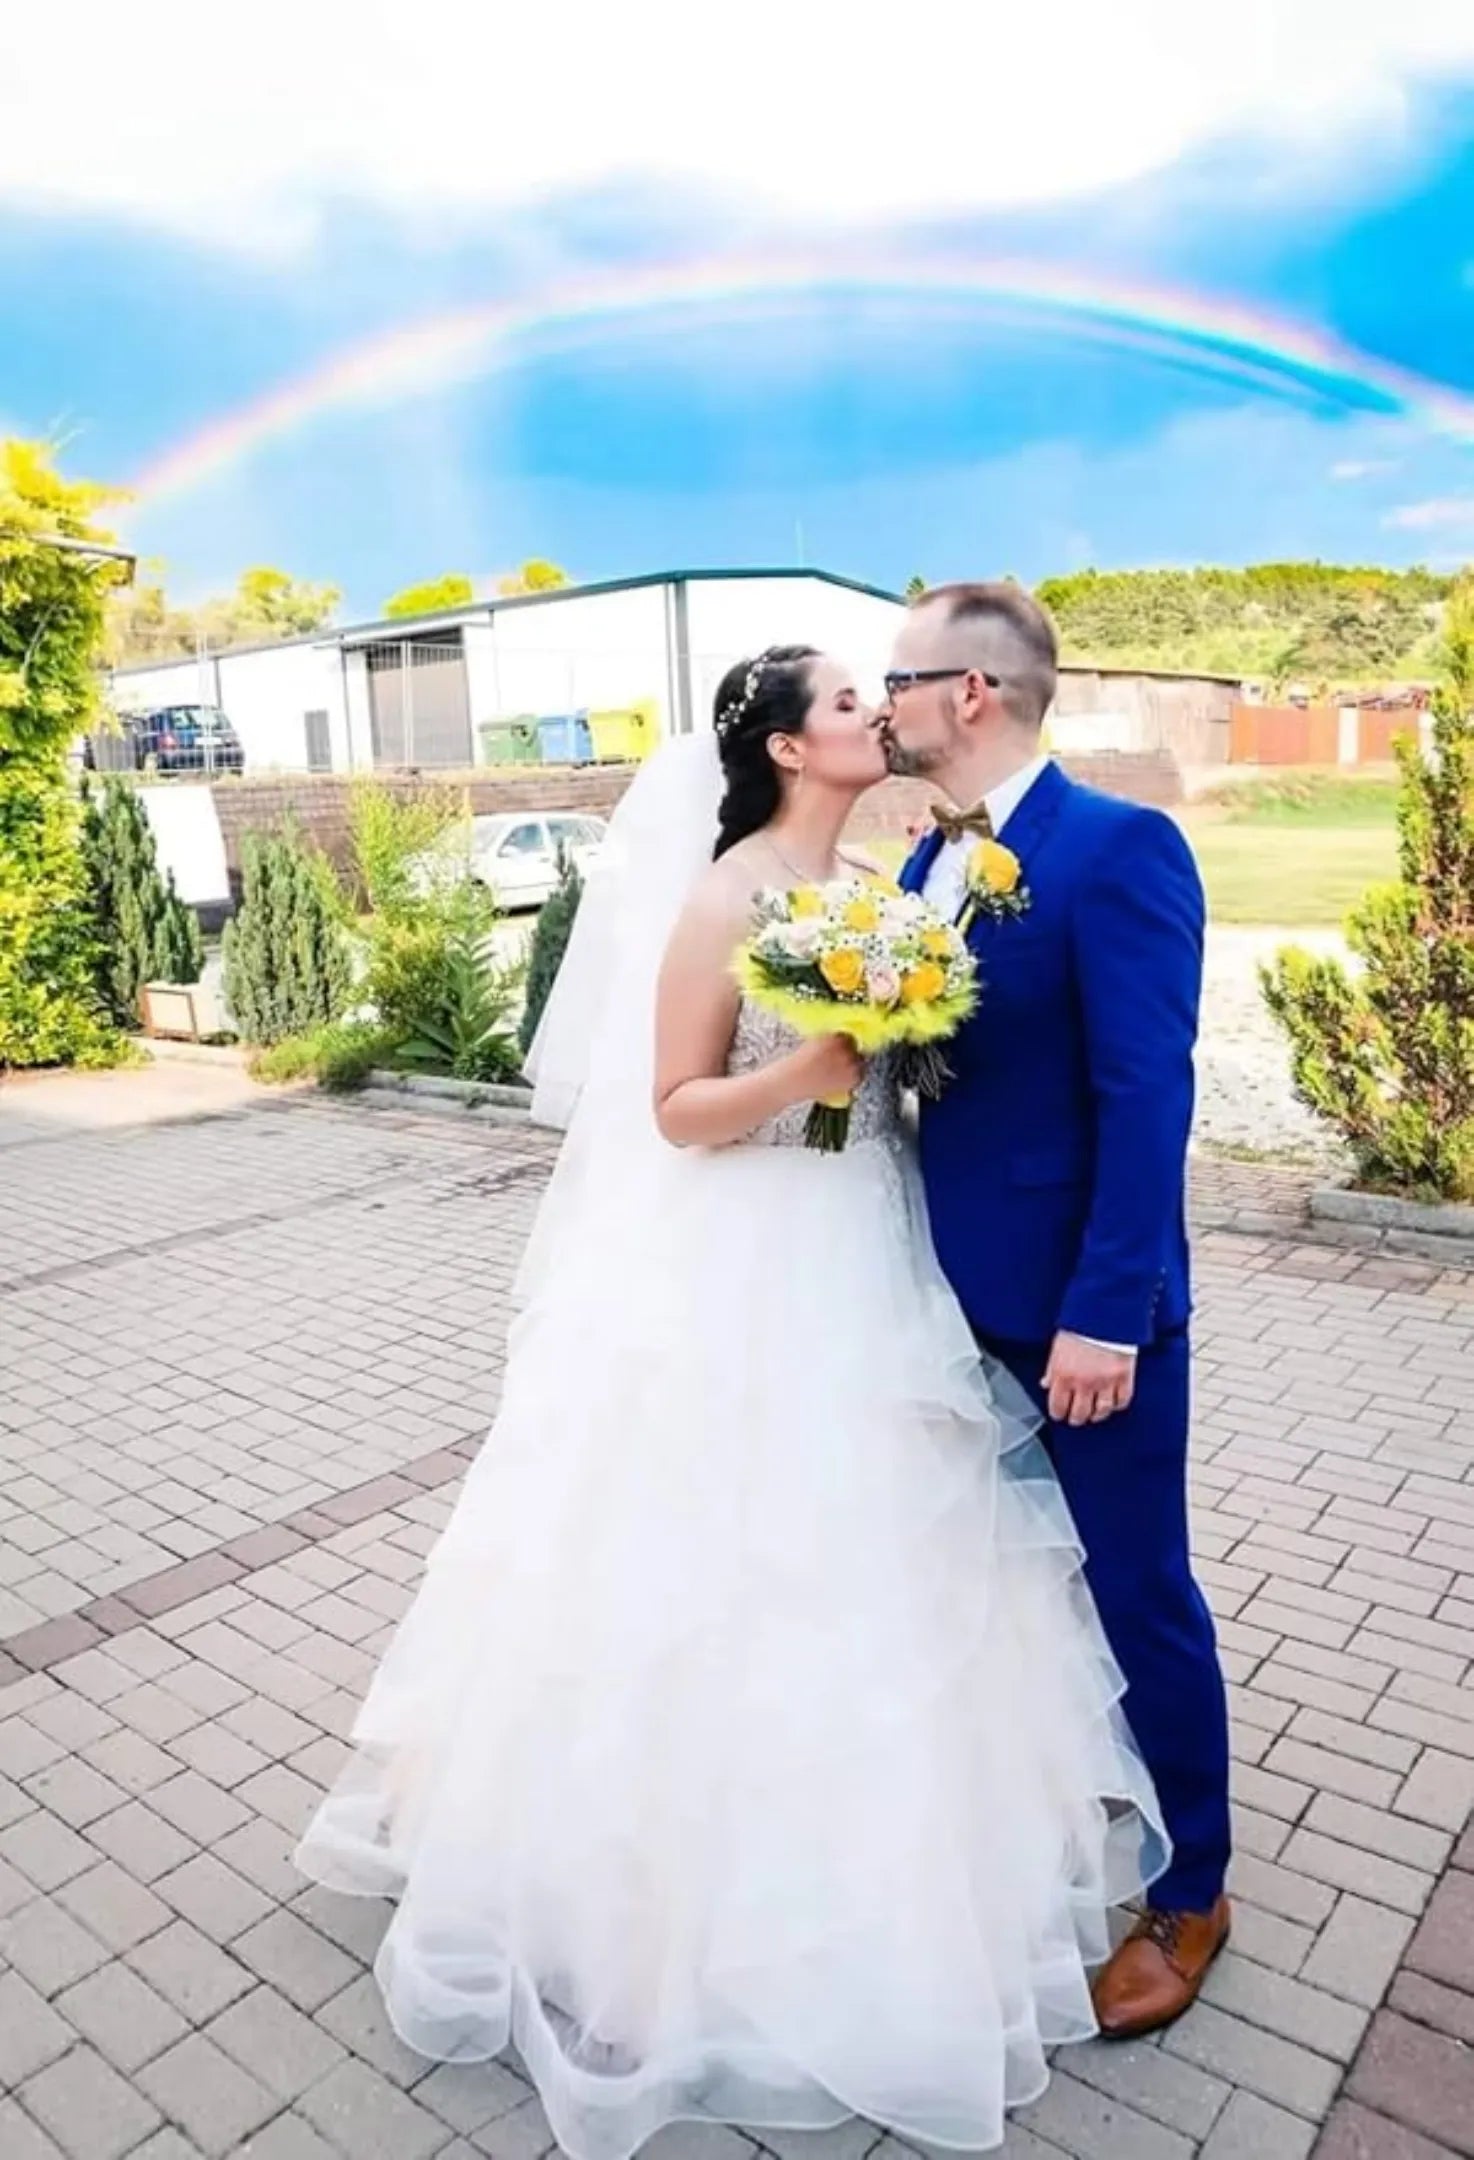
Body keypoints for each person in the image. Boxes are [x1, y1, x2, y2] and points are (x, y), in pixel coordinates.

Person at [295, 646, 1167, 2160]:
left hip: (874, 1251)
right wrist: (817, 1061)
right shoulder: (724, 897)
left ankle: (898, 1877)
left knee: (892, 1568)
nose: (870, 716)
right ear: (780, 748)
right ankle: (658, 1917)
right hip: (745, 1263)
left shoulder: (900, 885)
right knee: (714, 1565)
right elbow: (675, 1110)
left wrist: (904, 1050)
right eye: (843, 703)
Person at [881, 582, 1233, 2038]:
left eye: (897, 678)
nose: (880, 700)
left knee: (1136, 1583)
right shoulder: (919, 869)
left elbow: (1146, 1095)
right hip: (932, 1301)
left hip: (1078, 1319)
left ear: (973, 692)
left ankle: (1194, 1891)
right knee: (1005, 1585)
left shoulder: (1115, 849)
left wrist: (1105, 1312)